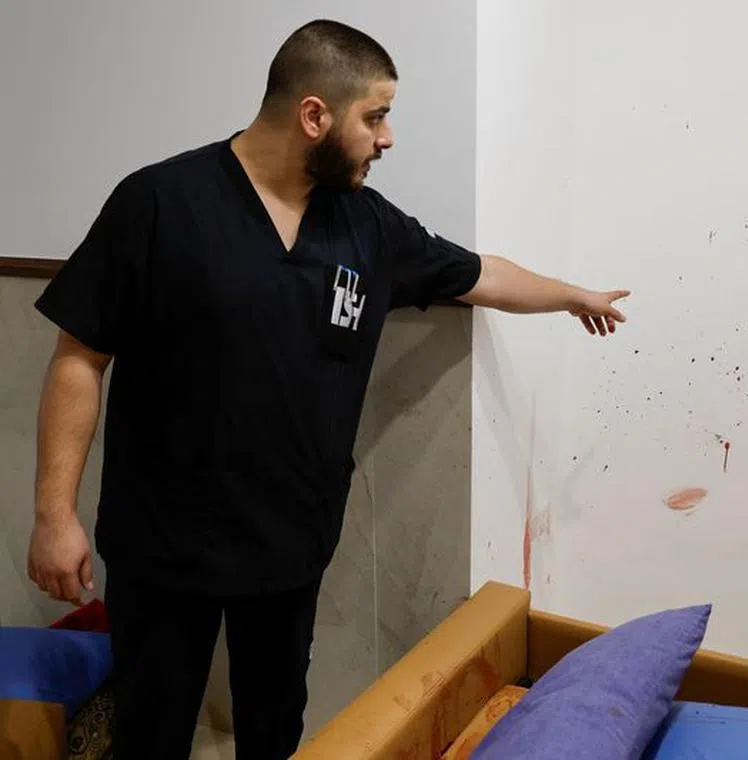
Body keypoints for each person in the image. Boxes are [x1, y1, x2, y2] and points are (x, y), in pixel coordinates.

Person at [25, 18, 629, 760]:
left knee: (273, 732)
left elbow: (482, 274)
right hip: (163, 547)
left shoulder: (367, 227)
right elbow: (78, 356)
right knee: (151, 734)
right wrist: (55, 516)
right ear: (314, 115)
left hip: (289, 548)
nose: (388, 138)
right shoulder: (159, 203)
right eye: (374, 116)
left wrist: (574, 295)